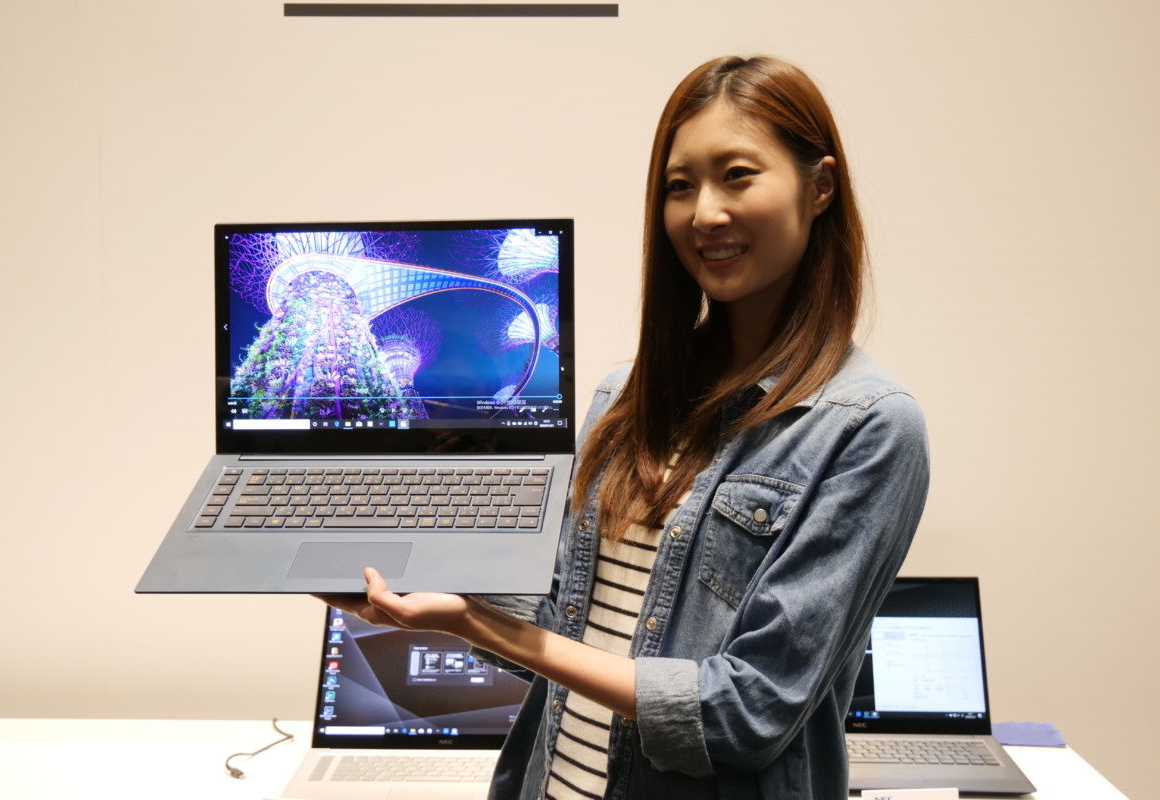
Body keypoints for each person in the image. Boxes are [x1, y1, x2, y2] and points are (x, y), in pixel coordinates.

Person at [321, 54, 930, 800]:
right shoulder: (622, 397)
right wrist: (429, 588)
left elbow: (745, 713)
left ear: (821, 186)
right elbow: (562, 627)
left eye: (737, 175)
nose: (704, 213)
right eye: (680, 186)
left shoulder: (869, 426)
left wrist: (479, 627)